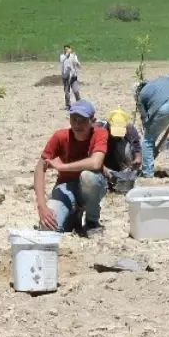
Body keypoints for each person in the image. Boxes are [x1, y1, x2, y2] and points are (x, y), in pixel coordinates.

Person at [35, 100, 109, 237]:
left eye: (82, 120)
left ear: (92, 121)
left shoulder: (100, 134)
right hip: (65, 188)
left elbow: (95, 163)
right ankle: (74, 215)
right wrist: (42, 206)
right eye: (74, 119)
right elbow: (40, 167)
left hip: (91, 185)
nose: (77, 124)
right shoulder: (60, 136)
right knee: (47, 228)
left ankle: (92, 221)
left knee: (88, 177)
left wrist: (62, 167)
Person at [95, 108, 142, 190]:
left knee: (125, 146)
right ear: (109, 125)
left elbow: (136, 145)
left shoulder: (130, 129)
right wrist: (102, 167)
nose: (117, 135)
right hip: (105, 155)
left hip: (119, 155)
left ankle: (124, 174)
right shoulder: (99, 129)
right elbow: (92, 154)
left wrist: (138, 158)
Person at [59, 45, 82, 110]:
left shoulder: (73, 56)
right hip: (65, 76)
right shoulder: (62, 56)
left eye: (67, 49)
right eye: (65, 49)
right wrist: (67, 54)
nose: (66, 50)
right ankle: (68, 105)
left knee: (75, 90)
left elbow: (78, 65)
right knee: (67, 92)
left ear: (70, 49)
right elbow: (62, 61)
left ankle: (79, 103)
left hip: (73, 76)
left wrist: (77, 62)